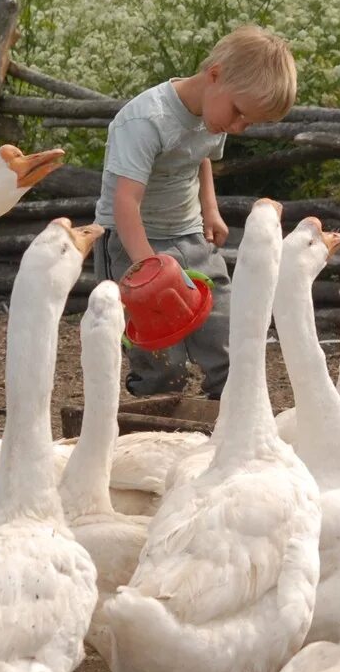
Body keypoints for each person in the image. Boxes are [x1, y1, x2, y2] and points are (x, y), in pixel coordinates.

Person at [94, 24, 298, 399]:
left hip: (190, 235)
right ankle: (150, 423)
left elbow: (199, 157)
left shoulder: (214, 112)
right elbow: (126, 201)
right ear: (215, 75)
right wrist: (149, 269)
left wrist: (210, 210)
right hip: (134, 242)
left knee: (225, 333)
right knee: (160, 353)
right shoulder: (145, 121)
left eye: (248, 122)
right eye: (239, 113)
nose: (238, 127)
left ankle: (231, 419)